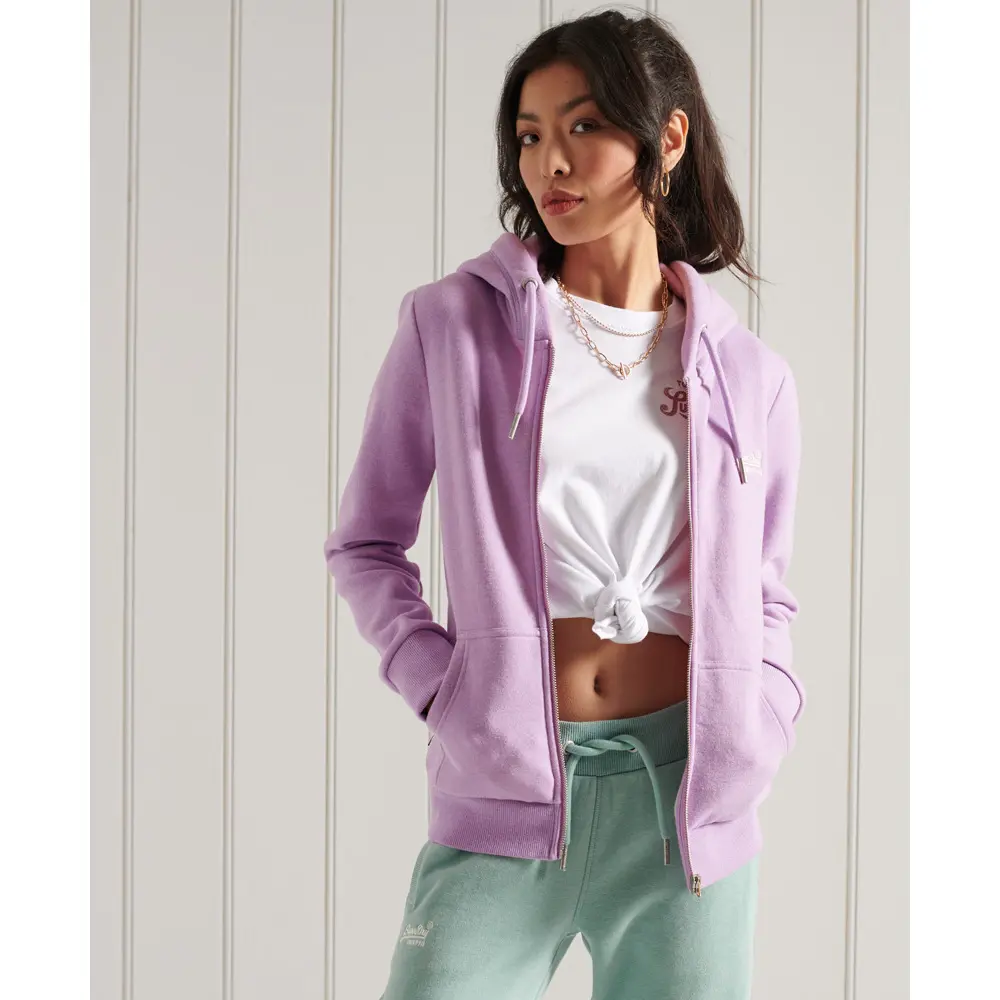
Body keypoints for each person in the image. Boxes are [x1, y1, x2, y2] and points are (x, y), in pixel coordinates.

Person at [324, 10, 806, 999]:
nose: (550, 160)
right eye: (531, 133)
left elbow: (765, 590)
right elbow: (366, 542)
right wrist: (442, 686)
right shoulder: (454, 327)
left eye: (583, 125)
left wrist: (765, 714)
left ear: (667, 138)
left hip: (685, 809)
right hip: (504, 793)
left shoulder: (749, 376)